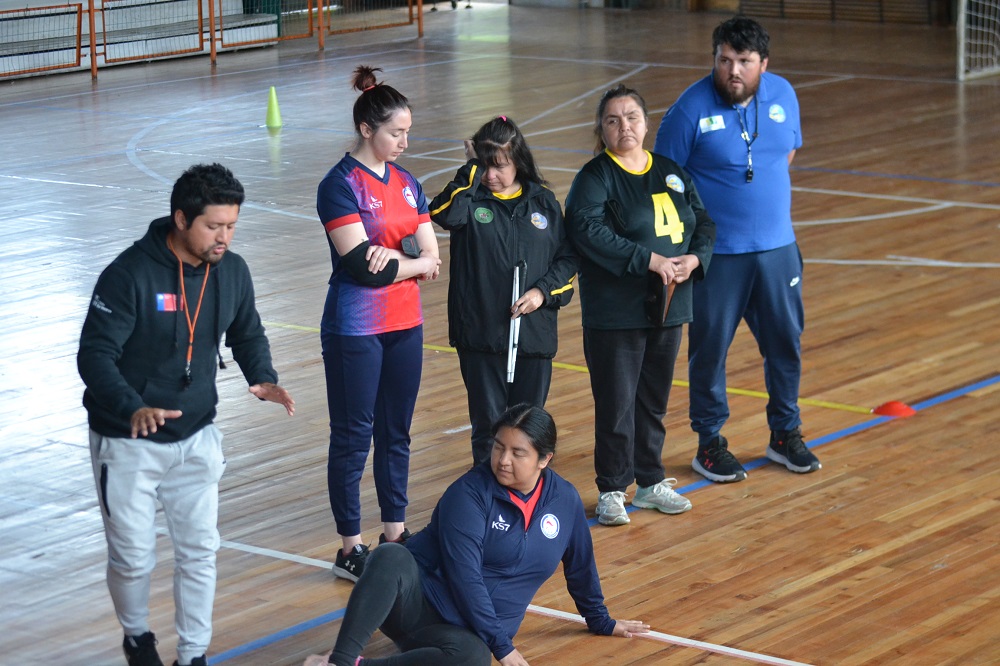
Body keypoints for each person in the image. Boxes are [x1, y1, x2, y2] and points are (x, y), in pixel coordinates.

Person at [78, 163, 296, 666]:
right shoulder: (128, 275)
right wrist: (132, 406)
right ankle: (137, 638)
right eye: (213, 226)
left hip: (198, 435)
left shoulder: (233, 271)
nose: (224, 237)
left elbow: (247, 332)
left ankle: (193, 655)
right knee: (133, 558)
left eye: (231, 226)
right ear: (180, 219)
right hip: (127, 441)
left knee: (200, 552)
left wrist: (261, 375)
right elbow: (94, 356)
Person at [302, 404, 650, 666]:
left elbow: (581, 567)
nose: (502, 460)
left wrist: (601, 621)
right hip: (415, 606)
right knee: (391, 555)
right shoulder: (467, 495)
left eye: (518, 453)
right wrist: (504, 646)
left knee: (472, 658)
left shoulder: (565, 501)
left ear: (544, 460)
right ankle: (341, 660)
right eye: (499, 447)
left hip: (462, 635)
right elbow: (465, 576)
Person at [653, 16, 821, 483]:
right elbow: (665, 182)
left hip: (777, 250)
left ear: (763, 64)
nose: (732, 71)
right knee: (709, 351)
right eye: (724, 60)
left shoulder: (784, 96)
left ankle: (785, 433)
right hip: (716, 258)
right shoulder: (687, 111)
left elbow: (786, 153)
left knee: (785, 344)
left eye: (744, 62)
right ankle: (709, 443)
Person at [564, 84, 715, 527]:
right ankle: (613, 487)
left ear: (647, 123)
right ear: (602, 129)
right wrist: (646, 260)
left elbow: (702, 221)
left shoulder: (670, 170)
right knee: (616, 402)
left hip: (669, 305)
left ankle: (650, 482)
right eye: (612, 120)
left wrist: (695, 259)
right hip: (616, 313)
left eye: (631, 117)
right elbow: (587, 231)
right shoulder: (595, 178)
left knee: (653, 399)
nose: (623, 126)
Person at [316, 65, 441, 583]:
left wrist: (399, 262)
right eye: (396, 132)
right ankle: (350, 546)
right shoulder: (338, 185)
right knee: (353, 435)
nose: (404, 142)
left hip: (406, 324)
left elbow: (430, 256)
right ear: (368, 130)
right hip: (355, 329)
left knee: (397, 432)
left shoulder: (409, 183)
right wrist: (408, 262)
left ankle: (395, 532)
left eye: (408, 132)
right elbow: (360, 267)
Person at [430, 115, 577, 466]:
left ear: (518, 161)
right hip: (481, 334)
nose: (490, 175)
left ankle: (526, 501)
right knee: (489, 426)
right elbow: (442, 212)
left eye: (498, 166)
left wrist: (542, 292)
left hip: (534, 336)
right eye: (484, 165)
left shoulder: (544, 203)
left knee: (529, 427)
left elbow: (568, 260)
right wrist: (471, 167)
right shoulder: (470, 200)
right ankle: (489, 501)